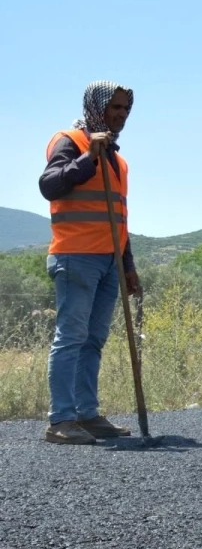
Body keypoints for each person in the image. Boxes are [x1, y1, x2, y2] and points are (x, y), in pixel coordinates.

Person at [38, 81, 140, 445]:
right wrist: (89, 159)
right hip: (75, 255)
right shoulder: (70, 141)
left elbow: (119, 219)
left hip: (108, 260)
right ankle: (61, 419)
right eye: (114, 107)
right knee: (71, 337)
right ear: (96, 107)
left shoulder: (119, 159)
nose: (121, 114)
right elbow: (49, 185)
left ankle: (87, 414)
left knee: (93, 339)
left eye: (125, 109)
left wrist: (128, 266)